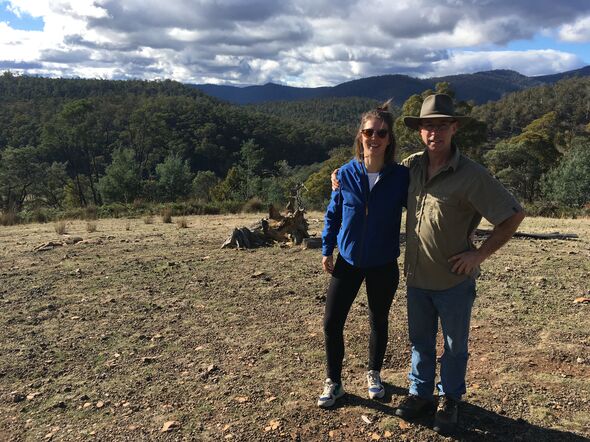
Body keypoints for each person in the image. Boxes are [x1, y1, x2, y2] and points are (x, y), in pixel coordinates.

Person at [331, 94, 525, 434]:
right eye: (427, 126)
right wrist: (341, 175)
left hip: (453, 279)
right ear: (420, 131)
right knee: (420, 342)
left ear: (453, 128)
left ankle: (449, 399)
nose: (433, 132)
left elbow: (513, 215)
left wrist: (479, 254)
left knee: (454, 347)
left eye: (440, 125)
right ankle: (420, 394)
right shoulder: (411, 167)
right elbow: (374, 172)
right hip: (417, 277)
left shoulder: (472, 175)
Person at [318, 101, 409, 408]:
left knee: (378, 319)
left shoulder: (401, 177)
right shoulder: (344, 174)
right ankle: (334, 382)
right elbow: (333, 215)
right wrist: (326, 248)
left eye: (381, 133)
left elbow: (425, 205)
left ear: (389, 139)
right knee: (331, 322)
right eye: (369, 131)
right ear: (360, 136)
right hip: (348, 260)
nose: (375, 137)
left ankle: (374, 373)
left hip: (384, 262)